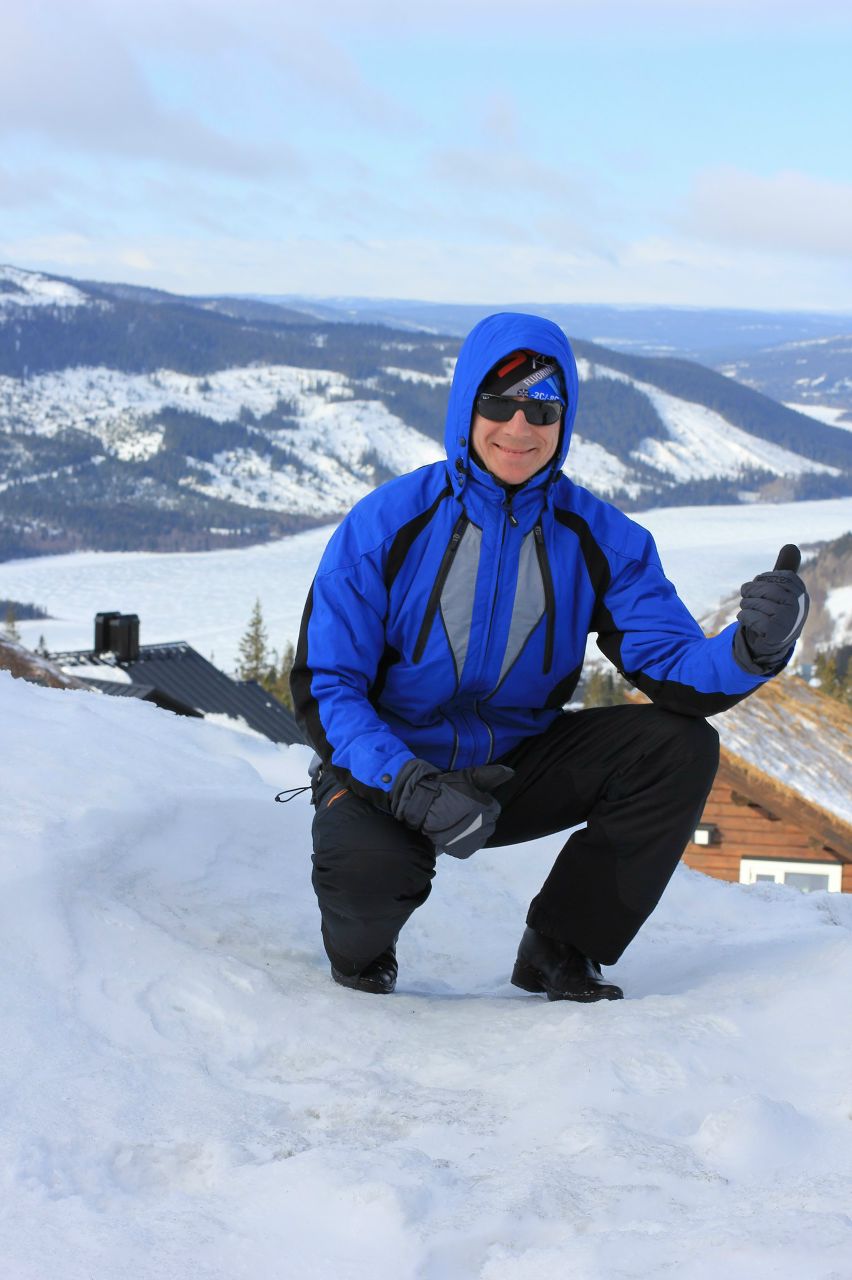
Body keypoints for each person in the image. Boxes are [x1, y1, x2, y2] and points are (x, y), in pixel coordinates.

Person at [291, 312, 809, 1001]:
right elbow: (328, 684)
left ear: (564, 422)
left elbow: (677, 671)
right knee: (365, 876)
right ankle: (363, 958)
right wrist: (406, 784)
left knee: (677, 746)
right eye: (497, 404)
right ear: (465, 409)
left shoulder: (598, 537)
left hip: (516, 762)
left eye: (542, 408)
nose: (518, 427)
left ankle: (562, 948)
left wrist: (752, 648)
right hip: (394, 767)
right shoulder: (387, 524)